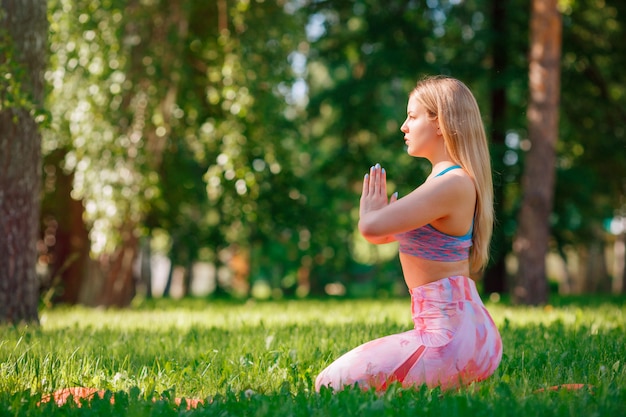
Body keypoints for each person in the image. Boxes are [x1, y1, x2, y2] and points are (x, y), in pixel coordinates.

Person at [315, 75, 502, 392]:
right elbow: (383, 236)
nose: (403, 126)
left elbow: (370, 227)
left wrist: (370, 211)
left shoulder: (451, 183)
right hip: (463, 335)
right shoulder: (442, 181)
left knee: (331, 385)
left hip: (452, 339)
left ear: (440, 123)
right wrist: (380, 219)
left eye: (412, 117)